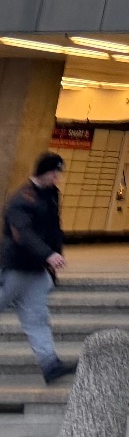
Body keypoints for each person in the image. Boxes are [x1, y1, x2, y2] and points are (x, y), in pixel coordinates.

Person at [1, 152, 73, 383]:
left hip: (34, 272)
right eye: (54, 173)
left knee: (37, 319)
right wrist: (49, 255)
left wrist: (54, 259)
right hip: (12, 269)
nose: (57, 178)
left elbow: (54, 230)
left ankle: (49, 364)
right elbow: (22, 233)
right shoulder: (21, 200)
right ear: (43, 172)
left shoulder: (50, 195)